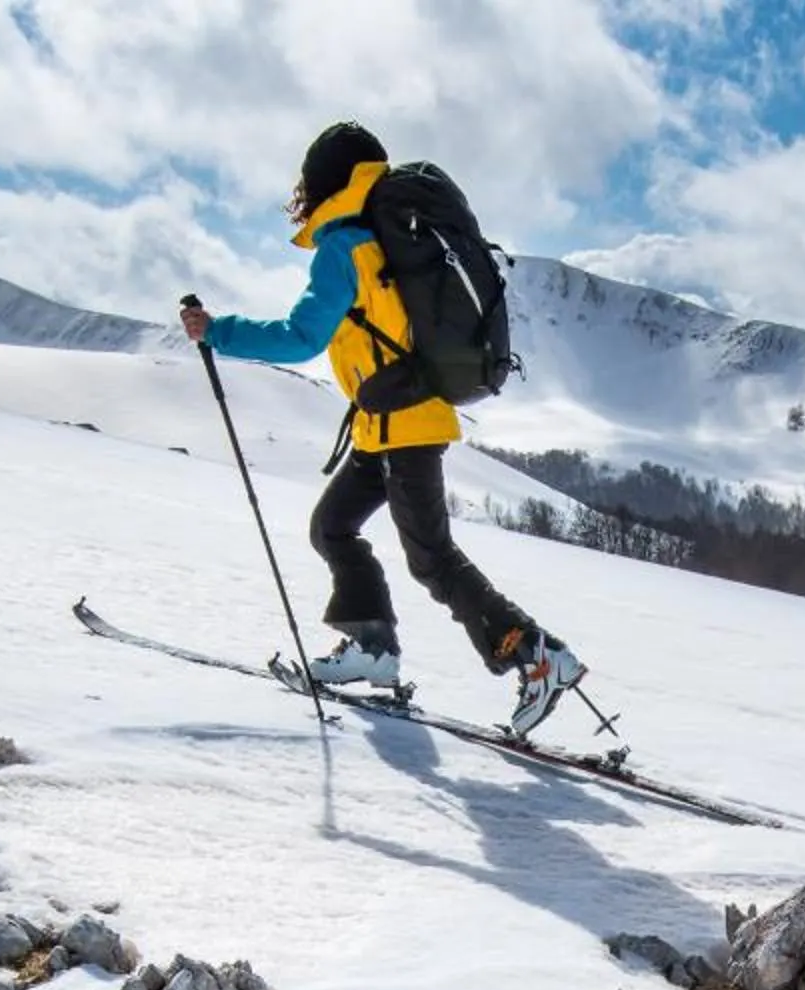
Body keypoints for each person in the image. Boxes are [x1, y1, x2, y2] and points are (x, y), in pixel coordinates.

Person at [181, 122, 588, 736]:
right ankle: (373, 646)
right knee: (333, 526)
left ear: (325, 183)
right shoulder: (385, 233)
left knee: (432, 559)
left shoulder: (345, 247)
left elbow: (302, 338)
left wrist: (218, 331)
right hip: (387, 423)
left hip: (403, 424)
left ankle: (535, 653)